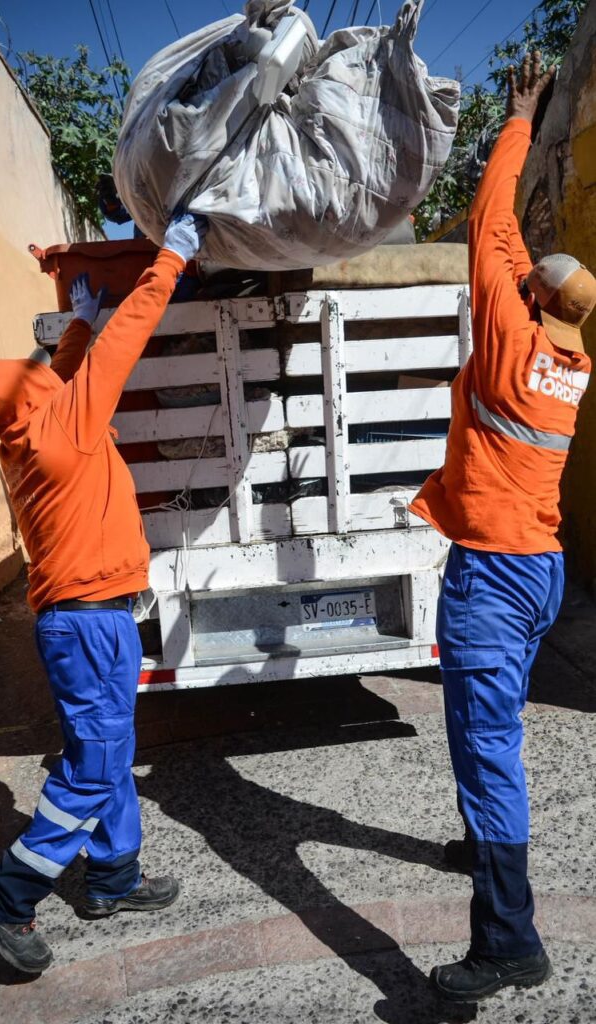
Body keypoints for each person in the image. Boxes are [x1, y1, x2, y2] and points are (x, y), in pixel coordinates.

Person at [0, 212, 207, 974]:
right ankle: (5, 897)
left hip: (81, 619)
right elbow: (122, 343)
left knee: (110, 748)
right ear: (38, 398)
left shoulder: (26, 437)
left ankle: (112, 876)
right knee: (95, 764)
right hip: (87, 625)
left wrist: (74, 324)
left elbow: (65, 373)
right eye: (41, 377)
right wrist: (171, 257)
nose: (52, 377)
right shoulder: (66, 425)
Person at [409, 52, 596, 1003]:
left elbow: (490, 230)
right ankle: (486, 849)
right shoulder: (567, 358)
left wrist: (519, 120)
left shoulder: (506, 341)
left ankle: (508, 942)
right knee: (498, 736)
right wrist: (527, 260)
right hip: (539, 572)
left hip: (492, 574)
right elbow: (515, 256)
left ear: (526, 307)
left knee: (487, 756)